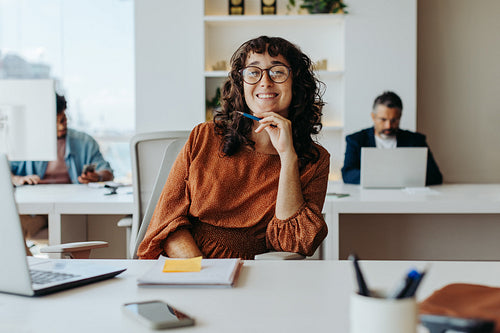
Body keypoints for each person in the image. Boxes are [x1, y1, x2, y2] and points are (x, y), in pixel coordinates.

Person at [138, 36, 330, 260]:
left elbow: (293, 242)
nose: (265, 81)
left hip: (254, 274)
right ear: (241, 83)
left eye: (277, 71)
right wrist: (203, 275)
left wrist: (288, 157)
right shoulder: (204, 136)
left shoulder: (315, 160)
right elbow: (168, 224)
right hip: (188, 266)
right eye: (253, 72)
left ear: (296, 83)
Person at [10, 94, 114, 240]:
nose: (62, 125)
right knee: (12, 230)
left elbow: (107, 172)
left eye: (64, 119)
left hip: (74, 211)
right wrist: (18, 179)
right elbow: (5, 170)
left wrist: (98, 177)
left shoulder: (84, 142)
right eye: (56, 122)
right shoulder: (28, 144)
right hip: (37, 212)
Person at [341, 91, 442, 185]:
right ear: (373, 117)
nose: (388, 126)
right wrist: (385, 178)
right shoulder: (355, 140)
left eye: (394, 120)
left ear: (400, 117)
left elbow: (435, 176)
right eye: (383, 119)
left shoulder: (416, 140)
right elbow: (347, 174)